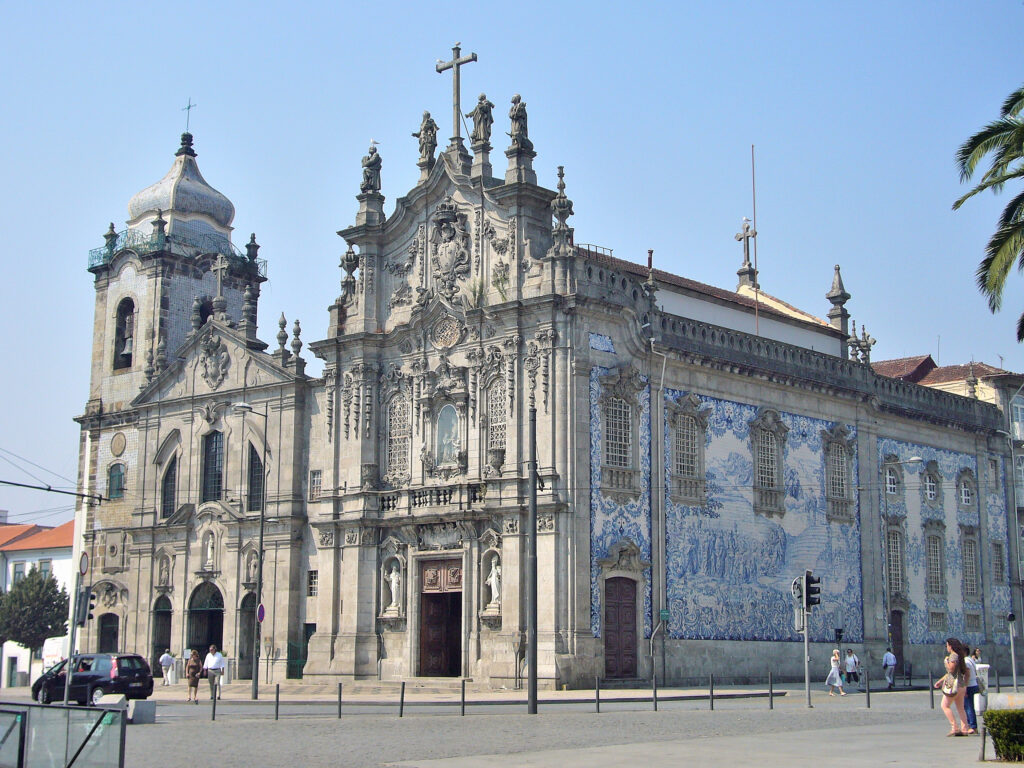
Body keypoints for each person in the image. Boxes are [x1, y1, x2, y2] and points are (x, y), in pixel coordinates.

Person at [934, 637, 969, 736]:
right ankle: (964, 728)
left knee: (944, 705)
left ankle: (955, 727)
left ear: (951, 646)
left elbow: (951, 670)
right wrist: (940, 681)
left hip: (954, 685)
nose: (947, 648)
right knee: (960, 708)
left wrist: (946, 661)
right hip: (961, 685)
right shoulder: (960, 656)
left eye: (947, 645)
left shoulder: (953, 656)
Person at [961, 639, 980, 735]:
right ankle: (971, 725)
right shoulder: (971, 660)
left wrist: (964, 687)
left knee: (968, 707)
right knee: (969, 706)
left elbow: (967, 674)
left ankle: (972, 726)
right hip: (974, 684)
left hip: (969, 686)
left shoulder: (966, 661)